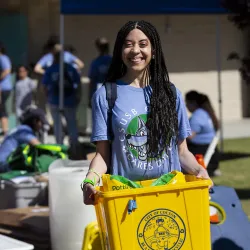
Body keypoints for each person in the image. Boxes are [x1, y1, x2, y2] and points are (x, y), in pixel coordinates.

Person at [82, 20, 212, 205]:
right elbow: (102, 155)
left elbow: (182, 152)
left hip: (171, 195)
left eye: (143, 44)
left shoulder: (170, 94)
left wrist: (199, 171)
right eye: (128, 44)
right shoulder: (106, 95)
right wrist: (89, 181)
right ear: (120, 51)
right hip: (127, 202)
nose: (136, 50)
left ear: (154, 50)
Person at [42, 47, 80, 147]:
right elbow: (78, 84)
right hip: (70, 100)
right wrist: (77, 97)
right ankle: (74, 147)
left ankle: (60, 147)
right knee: (72, 125)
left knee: (58, 126)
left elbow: (44, 86)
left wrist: (48, 98)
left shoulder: (51, 69)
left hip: (54, 101)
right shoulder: (71, 68)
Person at [0, 106, 48, 173]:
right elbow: (39, 146)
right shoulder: (24, 130)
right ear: (35, 121)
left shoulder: (19, 128)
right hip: (4, 164)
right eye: (41, 122)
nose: (41, 125)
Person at [185, 90, 220, 176]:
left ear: (193, 102)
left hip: (200, 153)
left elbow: (189, 136)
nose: (186, 106)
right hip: (211, 152)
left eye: (187, 103)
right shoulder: (206, 112)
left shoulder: (198, 115)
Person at [88, 37, 112, 107]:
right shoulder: (114, 61)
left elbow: (92, 81)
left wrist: (90, 98)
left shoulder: (96, 62)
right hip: (110, 89)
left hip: (103, 90)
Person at [0, 42, 12, 136]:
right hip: (4, 87)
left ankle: (5, 131)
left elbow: (7, 70)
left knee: (2, 109)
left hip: (2, 88)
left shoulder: (2, 58)